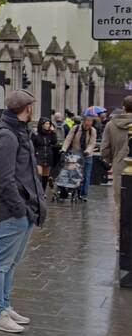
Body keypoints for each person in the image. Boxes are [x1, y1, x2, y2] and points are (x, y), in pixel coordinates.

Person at [0, 88, 46, 334]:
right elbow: (5, 179)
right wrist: (20, 209)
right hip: (12, 211)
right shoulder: (6, 136)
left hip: (26, 210)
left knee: (11, 263)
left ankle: (5, 306)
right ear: (28, 108)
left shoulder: (19, 132)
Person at [100, 95, 132, 244]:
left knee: (120, 204)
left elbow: (105, 149)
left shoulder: (111, 125)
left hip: (120, 167)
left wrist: (112, 160)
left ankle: (122, 239)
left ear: (123, 108)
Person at [61, 113, 97, 199]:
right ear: (83, 121)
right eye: (87, 121)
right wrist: (63, 149)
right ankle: (74, 192)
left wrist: (87, 151)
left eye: (90, 121)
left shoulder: (92, 130)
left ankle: (84, 194)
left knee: (86, 175)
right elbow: (68, 139)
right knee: (74, 174)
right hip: (75, 154)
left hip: (87, 156)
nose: (89, 123)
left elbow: (92, 143)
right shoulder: (75, 128)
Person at [33, 116, 59, 193]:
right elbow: (33, 144)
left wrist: (53, 132)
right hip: (39, 156)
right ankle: (37, 191)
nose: (48, 125)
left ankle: (43, 191)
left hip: (48, 155)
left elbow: (54, 142)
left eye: (49, 124)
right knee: (39, 174)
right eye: (46, 124)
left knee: (45, 176)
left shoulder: (50, 134)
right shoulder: (36, 134)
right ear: (42, 124)